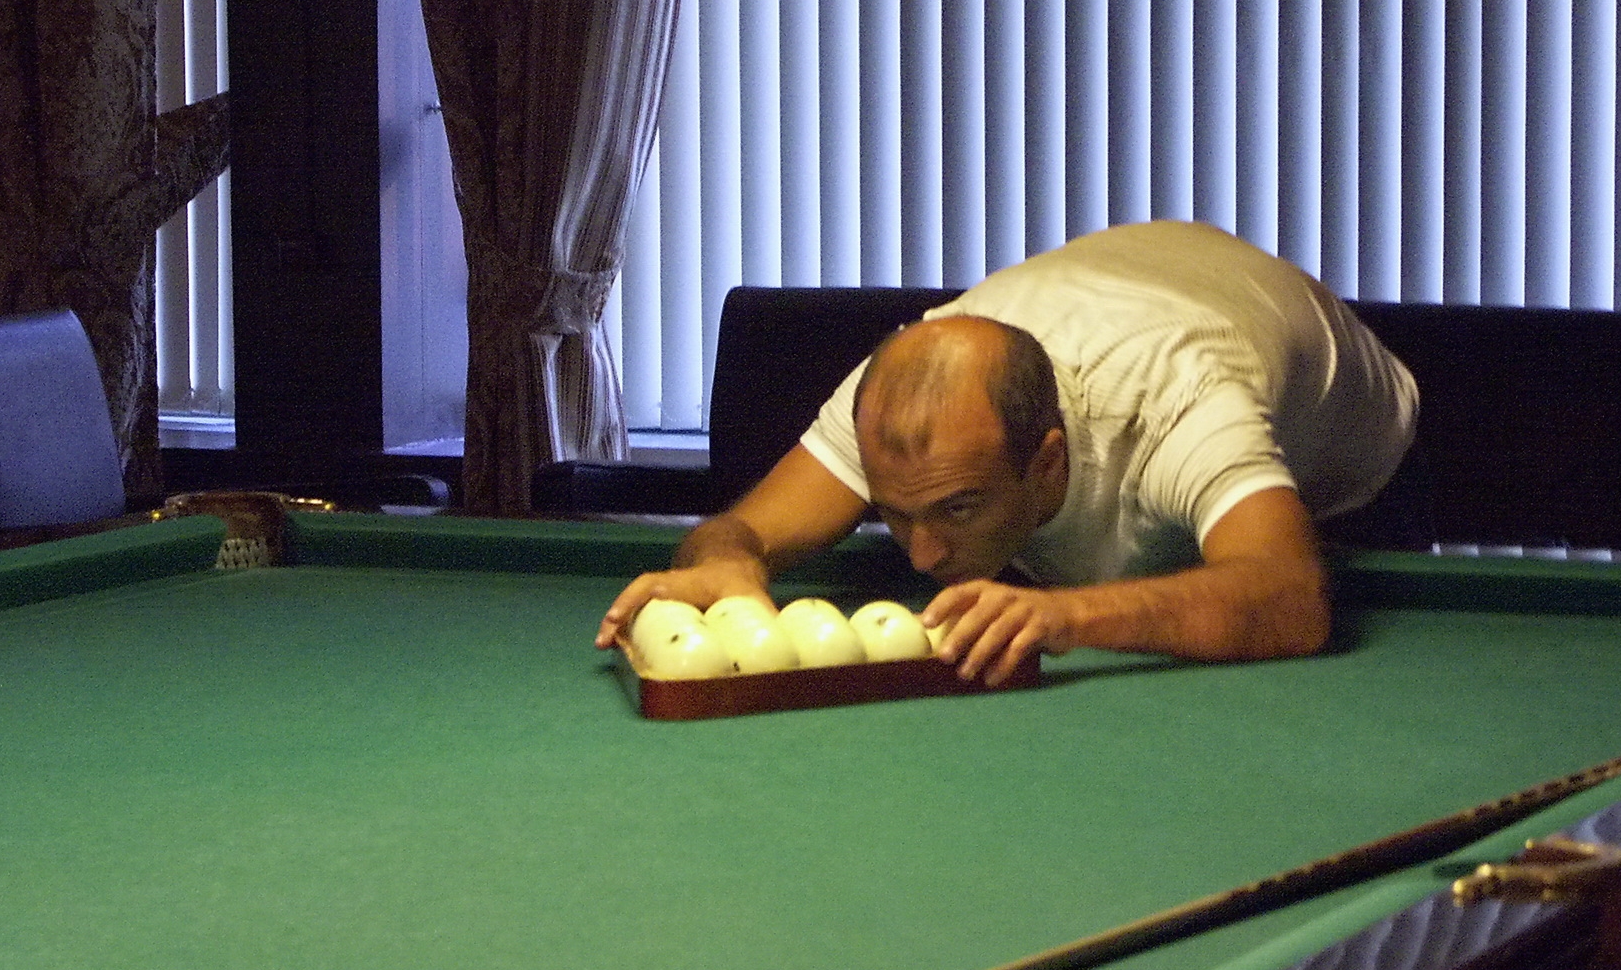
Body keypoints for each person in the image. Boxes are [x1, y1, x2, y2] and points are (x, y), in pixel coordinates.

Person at [595, 220, 1419, 684]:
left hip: (1349, 450)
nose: (921, 556)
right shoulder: (898, 396)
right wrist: (725, 563)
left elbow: (1290, 598)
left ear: (1049, 462)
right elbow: (742, 530)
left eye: (957, 508)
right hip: (1118, 288)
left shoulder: (1180, 402)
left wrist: (1067, 614)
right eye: (895, 514)